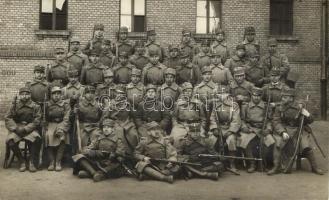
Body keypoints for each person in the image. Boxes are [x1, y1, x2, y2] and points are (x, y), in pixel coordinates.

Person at [268, 88, 324, 175]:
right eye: (282, 97)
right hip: (285, 129)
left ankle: (315, 167)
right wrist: (282, 132)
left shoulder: (299, 107)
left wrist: (307, 115)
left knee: (306, 145)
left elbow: (310, 120)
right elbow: (276, 121)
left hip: (299, 130)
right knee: (278, 143)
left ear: (291, 98)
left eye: (285, 97)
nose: (282, 99)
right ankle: (276, 167)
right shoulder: (279, 107)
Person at [5, 87, 42, 172]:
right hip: (17, 128)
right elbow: (8, 118)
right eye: (22, 94)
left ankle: (31, 162)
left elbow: (37, 120)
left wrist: (26, 129)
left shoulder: (36, 106)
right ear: (19, 95)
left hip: (30, 128)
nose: (24, 96)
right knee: (10, 141)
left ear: (30, 95)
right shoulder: (15, 106)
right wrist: (15, 128)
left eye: (26, 94)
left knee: (36, 139)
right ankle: (22, 161)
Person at [238, 87, 275, 173]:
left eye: (258, 96)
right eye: (254, 95)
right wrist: (244, 128)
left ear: (261, 96)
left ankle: (262, 162)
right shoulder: (245, 106)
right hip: (250, 128)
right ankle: (252, 163)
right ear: (251, 96)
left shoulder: (266, 106)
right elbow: (242, 120)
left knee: (270, 141)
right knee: (244, 140)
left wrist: (268, 129)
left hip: (262, 128)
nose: (256, 98)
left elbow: (270, 120)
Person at [209, 86, 241, 174]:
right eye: (219, 94)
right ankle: (214, 161)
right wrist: (214, 128)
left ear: (228, 94)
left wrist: (231, 131)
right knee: (211, 139)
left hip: (229, 128)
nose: (221, 96)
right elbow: (212, 118)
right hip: (219, 128)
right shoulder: (216, 104)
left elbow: (236, 120)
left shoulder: (234, 105)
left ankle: (232, 163)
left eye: (224, 94)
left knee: (231, 140)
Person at [170, 82, 206, 148]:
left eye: (189, 91)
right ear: (183, 92)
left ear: (192, 92)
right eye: (185, 91)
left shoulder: (198, 103)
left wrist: (202, 127)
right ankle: (178, 154)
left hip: (196, 125)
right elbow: (174, 117)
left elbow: (203, 118)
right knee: (175, 138)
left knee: (201, 139)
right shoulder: (178, 103)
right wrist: (175, 126)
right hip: (182, 125)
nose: (188, 93)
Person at [44, 86, 71, 171]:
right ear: (51, 95)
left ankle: (58, 162)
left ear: (61, 95)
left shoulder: (65, 104)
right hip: (51, 124)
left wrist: (62, 127)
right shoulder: (47, 104)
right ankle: (51, 161)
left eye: (58, 94)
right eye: (54, 94)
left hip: (62, 123)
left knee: (63, 137)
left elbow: (67, 117)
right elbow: (44, 117)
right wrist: (45, 124)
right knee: (48, 136)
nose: (56, 96)